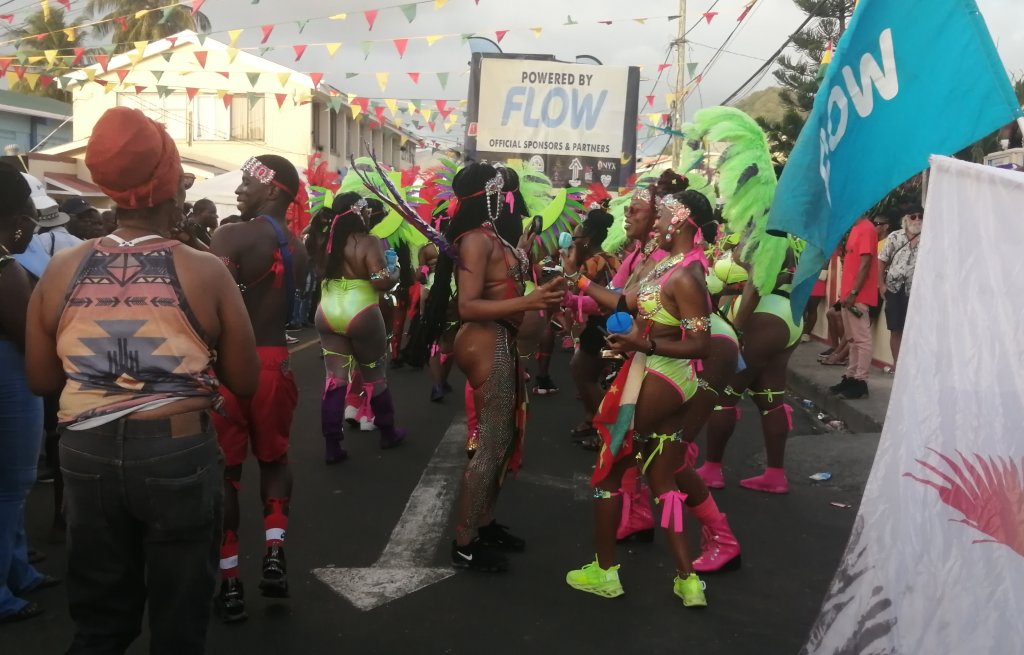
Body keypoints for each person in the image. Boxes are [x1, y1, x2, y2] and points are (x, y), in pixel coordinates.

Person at [25, 107, 259, 651]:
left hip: (85, 455)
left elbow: (41, 378)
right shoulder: (205, 270)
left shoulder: (60, 270)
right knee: (179, 624)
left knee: (101, 622)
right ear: (172, 186)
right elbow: (244, 381)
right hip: (176, 453)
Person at [565, 182, 717, 607]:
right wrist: (577, 280)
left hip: (662, 377)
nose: (658, 224)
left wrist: (641, 345)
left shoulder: (687, 274)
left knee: (609, 474)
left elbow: (701, 345)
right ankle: (688, 582)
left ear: (682, 220)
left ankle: (605, 571)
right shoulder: (671, 265)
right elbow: (623, 302)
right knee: (662, 478)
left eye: (665, 217)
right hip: (658, 375)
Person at [422, 163, 563, 572]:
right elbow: (468, 305)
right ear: (490, 195)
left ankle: (484, 522)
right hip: (486, 342)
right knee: (490, 447)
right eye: (505, 192)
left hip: (501, 340)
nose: (512, 200)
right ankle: (465, 542)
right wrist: (530, 302)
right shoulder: (476, 241)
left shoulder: (494, 237)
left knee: (504, 443)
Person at [209, 154, 309, 622]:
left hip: (228, 371)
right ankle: (274, 549)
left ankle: (230, 582)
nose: (239, 187)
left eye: (249, 180)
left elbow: (205, 306)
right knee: (275, 460)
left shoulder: (230, 236)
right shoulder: (298, 246)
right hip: (276, 365)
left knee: (227, 475)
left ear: (274, 190)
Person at [308, 192, 406, 464]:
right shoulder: (367, 242)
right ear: (358, 212)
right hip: (361, 311)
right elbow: (381, 282)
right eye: (365, 211)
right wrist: (394, 270)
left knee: (334, 380)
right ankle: (388, 432)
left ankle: (332, 445)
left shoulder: (325, 242)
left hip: (327, 311)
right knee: (375, 376)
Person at [0, 163, 57, 624]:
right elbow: (31, 337)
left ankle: (18, 570)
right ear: (19, 220)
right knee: (10, 489)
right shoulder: (5, 271)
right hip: (13, 388)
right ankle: (3, 590)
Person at [13, 174, 82, 544]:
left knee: (19, 479)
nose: (27, 225)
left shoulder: (29, 251)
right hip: (33, 371)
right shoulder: (12, 263)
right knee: (14, 481)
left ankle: (17, 559)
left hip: (38, 372)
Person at [560, 208, 618, 444]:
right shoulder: (613, 257)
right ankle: (591, 417)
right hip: (613, 323)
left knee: (585, 374)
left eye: (575, 239)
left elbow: (571, 293)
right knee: (583, 370)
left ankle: (606, 428)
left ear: (587, 240)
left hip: (599, 324)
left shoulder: (590, 265)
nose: (573, 243)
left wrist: (571, 262)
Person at [829, 215, 879, 399]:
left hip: (857, 295)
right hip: (849, 295)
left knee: (861, 339)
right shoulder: (856, 229)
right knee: (852, 340)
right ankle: (851, 376)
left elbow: (865, 263)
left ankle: (861, 381)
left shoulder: (867, 229)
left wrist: (854, 292)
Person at [878, 206, 923, 368]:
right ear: (906, 219)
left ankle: (912, 367)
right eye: (913, 217)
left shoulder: (929, 238)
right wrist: (881, 284)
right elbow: (882, 260)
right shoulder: (895, 237)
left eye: (920, 216)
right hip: (894, 288)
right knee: (895, 328)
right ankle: (897, 365)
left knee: (915, 329)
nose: (917, 220)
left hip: (917, 291)